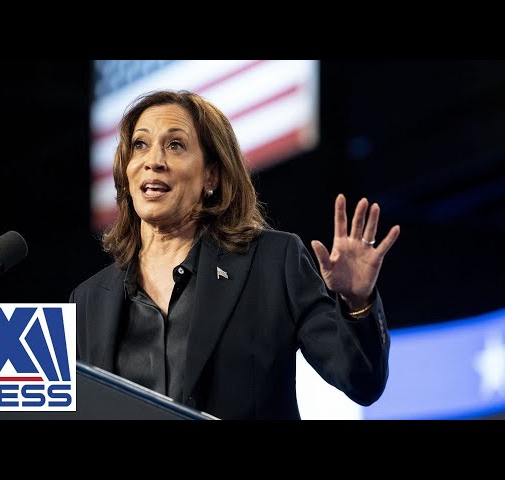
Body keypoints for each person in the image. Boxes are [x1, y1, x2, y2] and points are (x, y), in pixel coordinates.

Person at [70, 89, 400, 420]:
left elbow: (361, 381)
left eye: (175, 145)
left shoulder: (273, 262)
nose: (153, 161)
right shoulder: (86, 300)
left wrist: (358, 304)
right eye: (140, 145)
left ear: (210, 176)